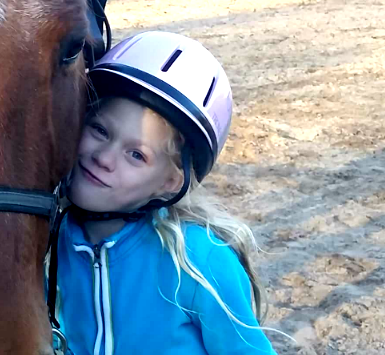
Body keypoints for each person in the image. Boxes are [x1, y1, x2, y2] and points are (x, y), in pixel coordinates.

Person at [46, 31, 279, 354]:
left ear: (170, 182)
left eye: (136, 155)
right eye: (100, 130)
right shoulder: (48, 246)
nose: (104, 157)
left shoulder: (200, 261)